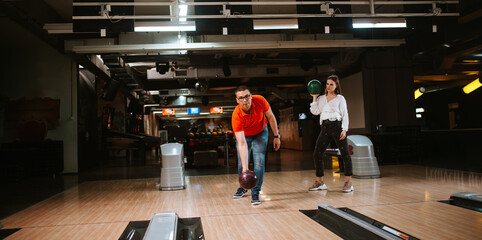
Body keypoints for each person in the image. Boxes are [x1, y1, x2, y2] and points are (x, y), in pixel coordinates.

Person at [231, 86, 281, 205]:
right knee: (242, 163)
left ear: (251, 96)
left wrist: (276, 136)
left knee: (259, 160)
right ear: (237, 100)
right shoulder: (236, 116)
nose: (245, 100)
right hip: (245, 136)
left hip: (260, 131)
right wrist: (245, 170)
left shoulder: (260, 100)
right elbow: (242, 144)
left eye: (247, 96)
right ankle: (244, 185)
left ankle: (255, 191)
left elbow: (271, 117)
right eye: (241, 98)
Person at [309, 75, 354, 192]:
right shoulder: (321, 98)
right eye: (327, 84)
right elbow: (315, 111)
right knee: (317, 153)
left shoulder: (340, 98)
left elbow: (345, 114)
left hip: (337, 126)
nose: (328, 87)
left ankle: (348, 182)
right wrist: (314, 97)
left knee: (345, 154)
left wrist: (344, 129)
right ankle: (320, 182)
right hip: (325, 127)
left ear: (336, 86)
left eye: (331, 84)